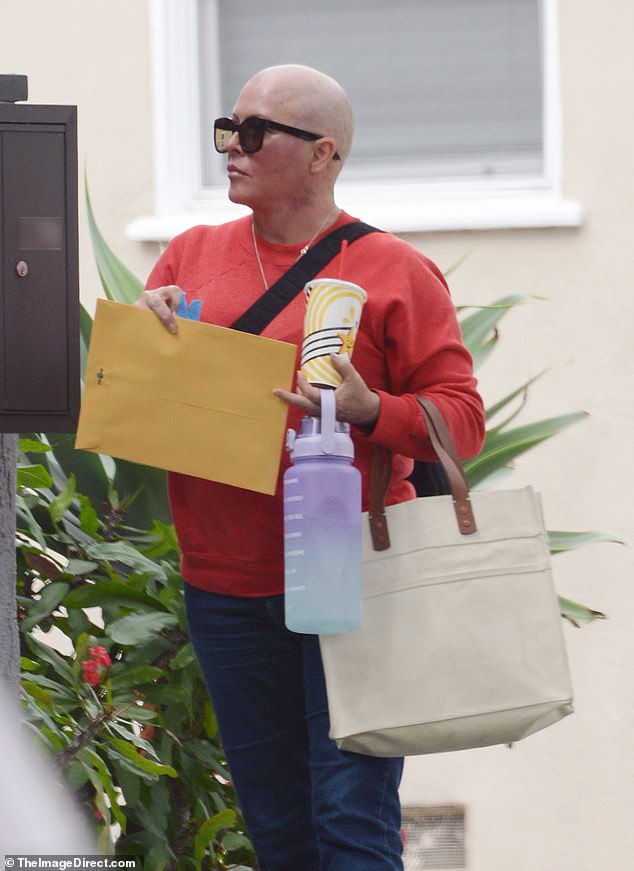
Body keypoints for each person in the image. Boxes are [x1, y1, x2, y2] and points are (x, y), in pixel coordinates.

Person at [137, 64, 485, 871]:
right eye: (229, 128)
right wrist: (146, 336)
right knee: (277, 828)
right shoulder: (187, 256)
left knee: (351, 821)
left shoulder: (394, 269)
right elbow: (153, 410)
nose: (233, 147)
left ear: (322, 152)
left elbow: (459, 418)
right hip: (223, 586)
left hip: (349, 578)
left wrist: (375, 412)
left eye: (255, 132)